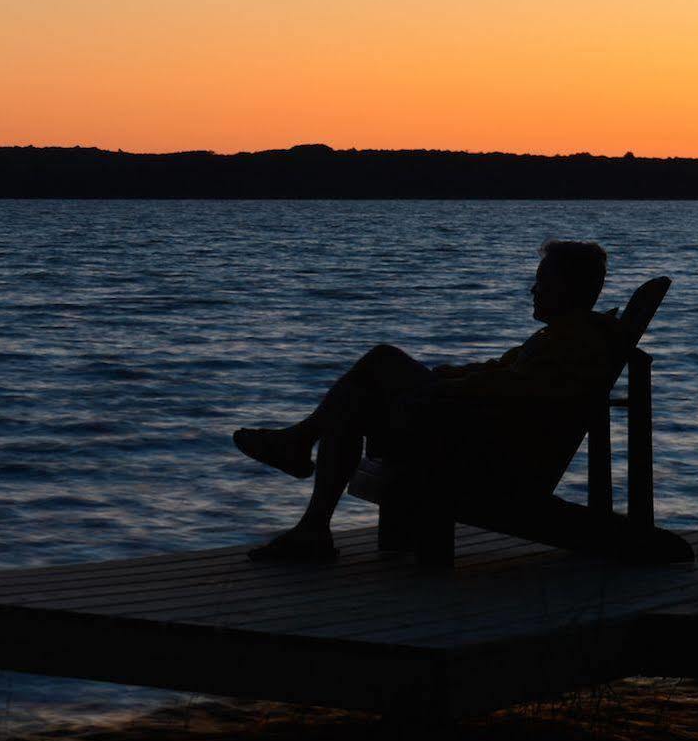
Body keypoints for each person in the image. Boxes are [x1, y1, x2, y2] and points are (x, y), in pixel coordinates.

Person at [232, 240, 621, 562]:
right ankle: (311, 522)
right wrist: (450, 374)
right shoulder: (568, 335)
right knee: (356, 402)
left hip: (478, 449)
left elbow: (512, 390)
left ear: (568, 288)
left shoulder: (573, 340)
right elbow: (503, 373)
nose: (533, 291)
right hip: (477, 432)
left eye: (542, 282)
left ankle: (300, 453)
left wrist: (442, 388)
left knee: (381, 359)